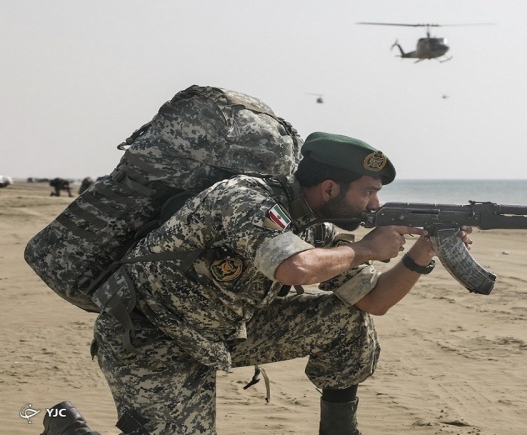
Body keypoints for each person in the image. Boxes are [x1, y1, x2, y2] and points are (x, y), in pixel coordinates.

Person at [45, 132, 473, 435]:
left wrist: (422, 254)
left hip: (220, 334)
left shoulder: (313, 227)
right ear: (328, 187)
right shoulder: (246, 197)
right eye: (368, 192)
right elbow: (296, 269)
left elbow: (375, 300)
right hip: (151, 335)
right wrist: (365, 248)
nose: (375, 204)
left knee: (346, 320)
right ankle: (62, 428)